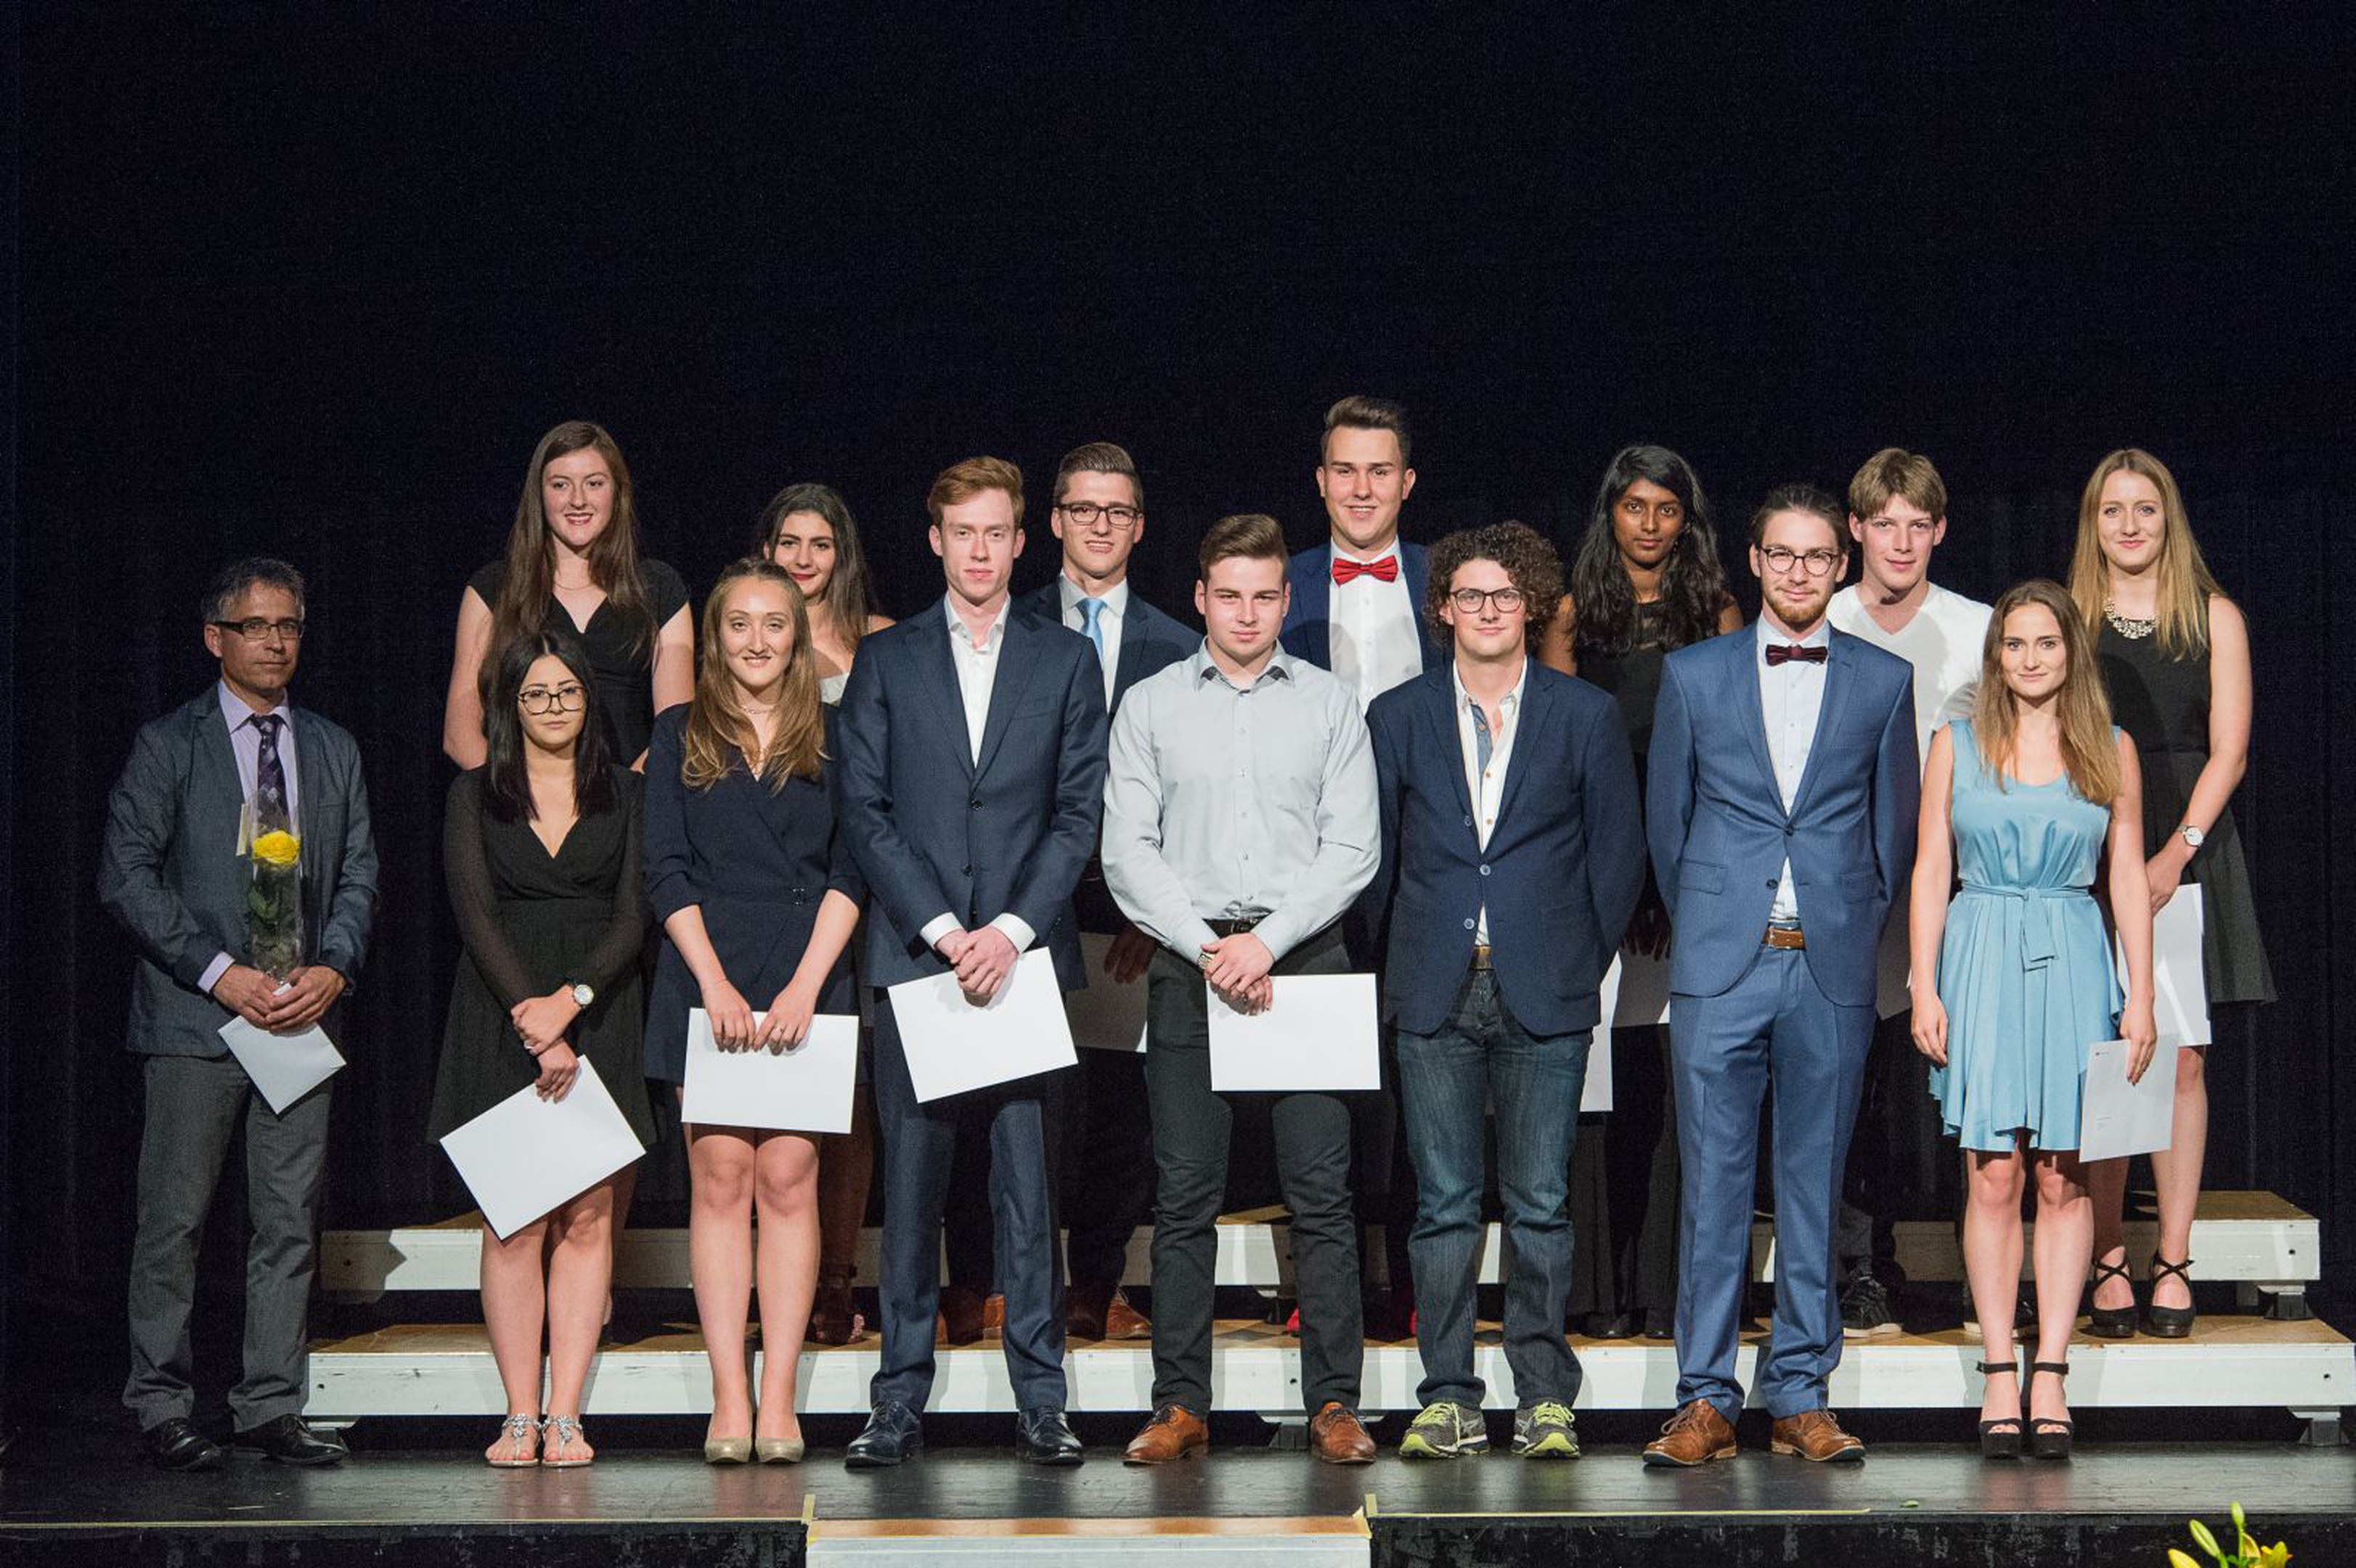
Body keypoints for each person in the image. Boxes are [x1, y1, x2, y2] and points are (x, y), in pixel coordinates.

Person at [836, 456, 1108, 1469]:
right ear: (935, 541)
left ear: (1021, 541)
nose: (981, 550)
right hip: (923, 963)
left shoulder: (1066, 660)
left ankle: (1041, 1400)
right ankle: (897, 1401)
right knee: (911, 1196)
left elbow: (1077, 813)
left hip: (1022, 964)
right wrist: (949, 932)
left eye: (997, 533)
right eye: (964, 533)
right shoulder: (886, 659)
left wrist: (1011, 931)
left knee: (1028, 1196)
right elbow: (865, 811)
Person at [1641, 485, 1918, 1468]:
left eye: (1816, 556)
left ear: (1840, 566)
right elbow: (1667, 824)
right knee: (1711, 1185)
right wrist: (1711, 922)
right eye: (1782, 554)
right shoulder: (1692, 674)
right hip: (1722, 963)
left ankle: (1800, 1391)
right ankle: (1704, 1396)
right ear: (1754, 562)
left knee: (1813, 1187)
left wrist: (1848, 922)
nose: (1799, 571)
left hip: (1828, 963)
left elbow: (1893, 831)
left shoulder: (1883, 680)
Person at [1104, 513, 1381, 1467]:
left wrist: (1263, 943)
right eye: (1229, 595)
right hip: (1191, 962)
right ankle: (1181, 1405)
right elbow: (1126, 850)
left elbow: (1354, 846)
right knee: (1185, 1194)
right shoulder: (1148, 705)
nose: (1247, 613)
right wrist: (1206, 946)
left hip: (1303, 956)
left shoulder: (1329, 704)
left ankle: (1334, 1403)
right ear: (1200, 598)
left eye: (1264, 596)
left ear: (1285, 599)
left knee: (1321, 1192)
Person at [1367, 523, 1644, 1460]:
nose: (1487, 610)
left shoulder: (1583, 714)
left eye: (1504, 595)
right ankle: (1447, 1396)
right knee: (1443, 1207)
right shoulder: (1397, 716)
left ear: (1529, 604)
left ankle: (1542, 1399)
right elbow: (1379, 862)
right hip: (1432, 992)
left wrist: (1573, 959)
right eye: (1469, 595)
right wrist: (1397, 970)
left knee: (1539, 1205)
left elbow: (1617, 857)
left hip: (1544, 991)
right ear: (1442, 608)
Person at [99, 558, 378, 1471]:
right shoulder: (168, 744)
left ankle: (269, 1404)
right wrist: (220, 974)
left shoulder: (331, 747)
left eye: (288, 625)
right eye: (256, 626)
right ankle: (160, 1404)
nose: (275, 642)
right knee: (174, 1222)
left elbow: (359, 875)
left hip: (300, 1018)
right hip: (198, 1021)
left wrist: (334, 966)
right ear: (215, 637)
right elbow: (125, 877)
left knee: (287, 1221)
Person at [940, 442, 1197, 1344]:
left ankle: (1094, 1281)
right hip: (1016, 912)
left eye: (1116, 511)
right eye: (1082, 509)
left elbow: (1186, 791)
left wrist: (1150, 913)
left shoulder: (1178, 643)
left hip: (1129, 918)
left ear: (1139, 526)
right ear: (1050, 522)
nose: (1099, 525)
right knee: (1007, 1106)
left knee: (1121, 1111)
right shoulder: (1000, 624)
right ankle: (988, 1280)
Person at [1910, 579, 2156, 1461]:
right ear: (1995, 656)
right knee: (1991, 1175)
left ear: (2069, 652)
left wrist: (2140, 995)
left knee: (2062, 1176)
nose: (2028, 658)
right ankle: (1996, 1370)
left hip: (2071, 952)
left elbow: (2123, 873)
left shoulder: (2110, 747)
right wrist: (1923, 984)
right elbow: (1929, 868)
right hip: (1979, 953)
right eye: (2012, 644)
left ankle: (2048, 1367)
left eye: (2044, 643)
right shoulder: (1955, 744)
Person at [643, 560, 863, 1464]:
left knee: (789, 1178)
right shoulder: (678, 731)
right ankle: (728, 1397)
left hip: (809, 971)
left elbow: (853, 869)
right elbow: (664, 869)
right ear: (715, 637)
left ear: (798, 635)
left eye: (775, 623)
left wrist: (806, 985)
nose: (757, 640)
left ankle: (778, 1400)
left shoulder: (840, 735)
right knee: (722, 1179)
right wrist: (715, 983)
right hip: (708, 976)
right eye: (739, 623)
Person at [430, 627, 653, 1469]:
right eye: (535, 695)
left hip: (601, 1008)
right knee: (515, 1222)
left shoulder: (627, 794)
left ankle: (566, 1416)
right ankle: (519, 1414)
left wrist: (572, 1003)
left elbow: (634, 915)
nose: (554, 707)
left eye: (567, 692)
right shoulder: (473, 795)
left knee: (589, 1218)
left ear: (587, 699)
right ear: (510, 706)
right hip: (502, 1012)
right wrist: (533, 1015)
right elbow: (475, 915)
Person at [1539, 444, 1742, 1342]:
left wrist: (1667, 880)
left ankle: (1663, 1290)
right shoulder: (1571, 611)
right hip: (1592, 870)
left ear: (1685, 520)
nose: (1650, 524)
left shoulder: (1714, 610)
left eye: (1666, 508)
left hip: (1689, 870)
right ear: (1609, 513)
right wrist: (1616, 882)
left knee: (1669, 1084)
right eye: (1634, 507)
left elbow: (1723, 756)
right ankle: (1595, 1293)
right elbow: (1560, 755)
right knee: (1592, 1085)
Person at [2069, 448, 2273, 1338]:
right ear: (2092, 523)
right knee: (2111, 1055)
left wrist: (2174, 850)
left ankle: (2174, 1259)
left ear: (2168, 519)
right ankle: (2108, 1256)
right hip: (2090, 839)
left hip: (2188, 841)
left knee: (2181, 1055)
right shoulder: (2070, 617)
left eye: (2143, 508)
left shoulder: (2212, 615)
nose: (2128, 525)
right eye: (2111, 510)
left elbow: (2229, 749)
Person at [1279, 394, 1440, 1336]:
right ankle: (1328, 1289)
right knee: (1321, 1088)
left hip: (1428, 867)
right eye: (1345, 470)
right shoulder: (1280, 584)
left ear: (1407, 482)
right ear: (1320, 480)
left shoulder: (1449, 581)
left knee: (1420, 1085)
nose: (1362, 488)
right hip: (1309, 872)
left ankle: (1417, 1287)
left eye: (1379, 470)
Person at [1826, 449, 1994, 1336]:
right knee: (1847, 1090)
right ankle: (1858, 1269)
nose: (1900, 542)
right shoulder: (1822, 616)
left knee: (1959, 1090)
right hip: (1843, 889)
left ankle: (1984, 1280)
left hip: (1956, 891)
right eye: (1883, 523)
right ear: (1854, 528)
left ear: (1939, 530)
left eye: (1916, 525)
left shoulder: (1977, 629)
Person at [756, 482, 895, 1345]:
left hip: (868, 893)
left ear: (842, 554)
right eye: (788, 542)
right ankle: (780, 1278)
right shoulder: (751, 638)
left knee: (854, 1098)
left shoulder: (880, 642)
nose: (803, 559)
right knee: (777, 1099)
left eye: (820, 543)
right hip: (778, 890)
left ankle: (836, 1276)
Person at [444, 420, 693, 771]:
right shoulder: (494, 588)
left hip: (632, 796)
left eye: (594, 484)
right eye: (561, 485)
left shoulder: (658, 587)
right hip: (517, 799)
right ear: (539, 494)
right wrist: (520, 793)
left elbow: (674, 729)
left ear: (617, 492)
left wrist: (624, 795)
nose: (578, 500)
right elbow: (459, 733)